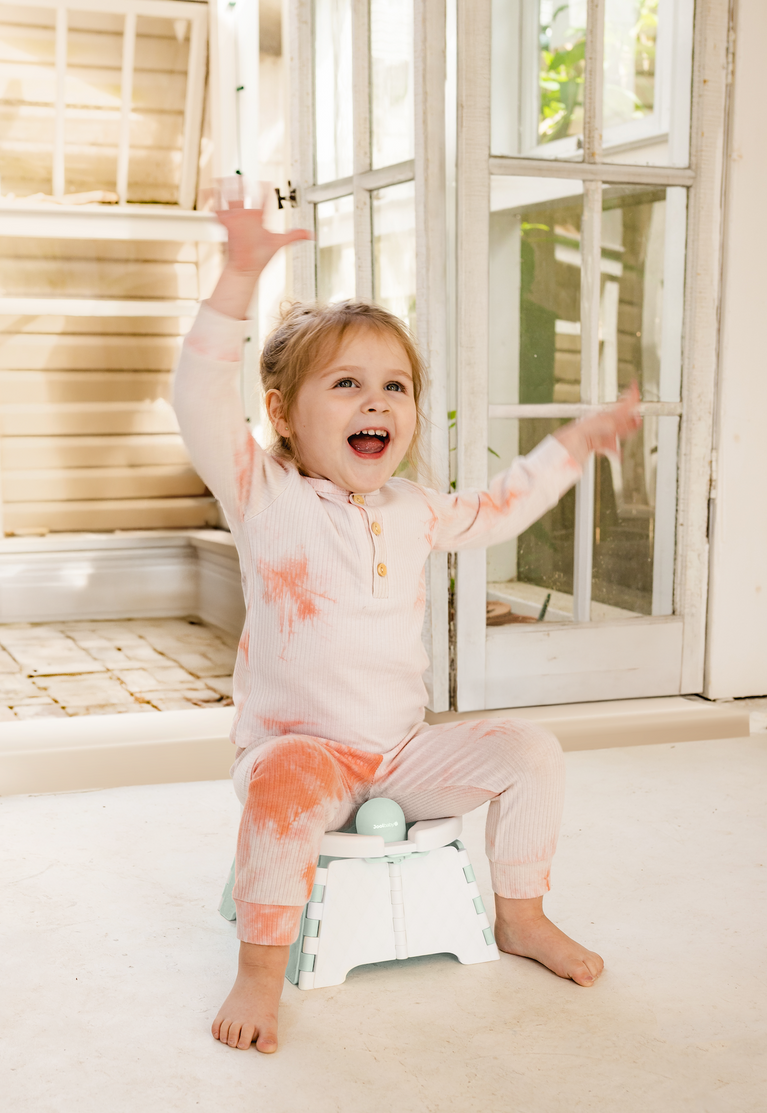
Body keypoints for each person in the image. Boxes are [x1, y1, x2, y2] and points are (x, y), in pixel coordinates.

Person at [173, 187, 642, 1054]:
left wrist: (571, 445)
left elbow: (499, 507)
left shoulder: (414, 507)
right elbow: (198, 393)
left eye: (394, 385)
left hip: (398, 749)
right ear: (280, 412)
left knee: (531, 752)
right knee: (279, 792)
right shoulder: (262, 496)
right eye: (345, 384)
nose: (375, 402)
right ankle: (257, 969)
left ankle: (522, 915)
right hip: (298, 752)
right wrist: (239, 274)